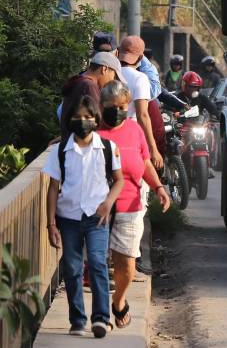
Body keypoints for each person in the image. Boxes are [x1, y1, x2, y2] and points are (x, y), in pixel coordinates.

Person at [44, 96, 124, 338]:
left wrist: (108, 204)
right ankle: (77, 320)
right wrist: (51, 224)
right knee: (72, 267)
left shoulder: (108, 148)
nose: (83, 122)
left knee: (99, 264)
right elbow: (53, 187)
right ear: (69, 121)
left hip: (97, 217)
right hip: (67, 218)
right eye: (77, 117)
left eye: (88, 117)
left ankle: (101, 318)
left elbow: (119, 180)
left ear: (96, 120)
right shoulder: (60, 151)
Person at [97, 81, 170, 329]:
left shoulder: (135, 130)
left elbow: (145, 163)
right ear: (101, 106)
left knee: (126, 264)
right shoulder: (92, 132)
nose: (116, 111)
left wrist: (159, 187)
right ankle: (100, 314)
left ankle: (118, 300)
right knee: (97, 263)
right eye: (111, 106)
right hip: (97, 209)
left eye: (121, 106)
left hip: (131, 205)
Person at [117, 36, 163, 171]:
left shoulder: (108, 72)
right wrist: (153, 149)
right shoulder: (140, 78)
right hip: (130, 137)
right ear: (140, 58)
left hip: (108, 135)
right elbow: (142, 115)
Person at [59, 52, 124, 147]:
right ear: (104, 69)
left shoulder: (78, 82)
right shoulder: (89, 86)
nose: (113, 80)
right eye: (114, 75)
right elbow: (99, 121)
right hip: (82, 146)